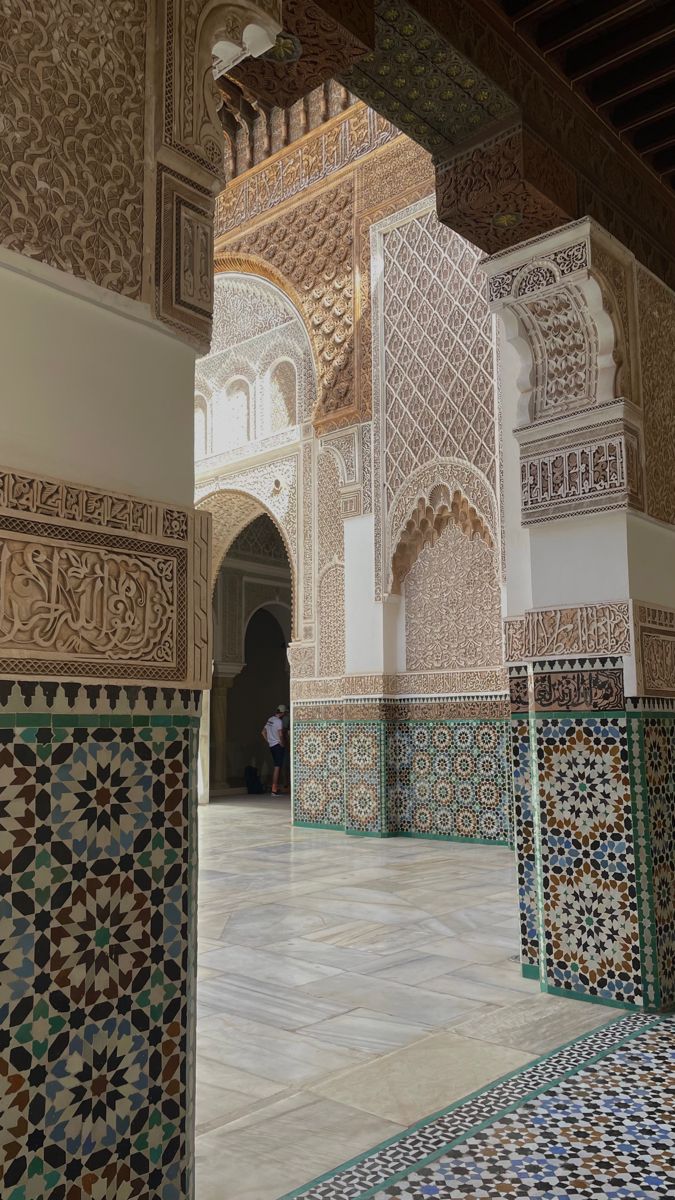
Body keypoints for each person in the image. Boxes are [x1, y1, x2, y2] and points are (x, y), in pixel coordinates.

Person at [261, 704, 287, 796]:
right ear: (283, 712)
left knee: (277, 766)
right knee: (277, 767)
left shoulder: (270, 719)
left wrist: (269, 741)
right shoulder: (279, 721)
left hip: (272, 746)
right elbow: (280, 735)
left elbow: (263, 732)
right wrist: (282, 743)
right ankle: (274, 790)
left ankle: (275, 789)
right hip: (277, 746)